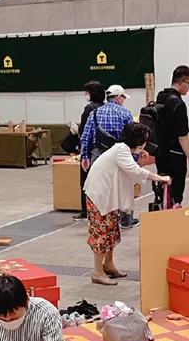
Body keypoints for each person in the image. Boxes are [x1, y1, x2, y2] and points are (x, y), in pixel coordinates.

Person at [84, 123, 171, 286]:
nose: (145, 143)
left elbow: (129, 170)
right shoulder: (121, 150)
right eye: (144, 139)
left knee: (111, 230)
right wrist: (160, 178)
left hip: (107, 195)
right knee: (102, 232)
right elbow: (134, 172)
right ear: (138, 140)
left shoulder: (122, 150)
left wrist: (141, 163)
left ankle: (108, 264)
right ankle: (97, 272)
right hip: (100, 195)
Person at [79, 84, 137, 229]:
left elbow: (86, 137)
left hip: (99, 154)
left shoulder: (95, 113)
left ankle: (102, 219)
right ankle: (126, 220)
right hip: (120, 154)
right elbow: (132, 139)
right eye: (123, 98)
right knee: (123, 187)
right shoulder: (126, 113)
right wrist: (134, 160)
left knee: (101, 187)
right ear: (119, 97)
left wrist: (85, 157)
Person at [155, 65, 189, 208]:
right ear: (180, 83)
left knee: (163, 189)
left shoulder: (160, 98)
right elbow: (182, 136)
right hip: (175, 155)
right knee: (176, 193)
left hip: (160, 153)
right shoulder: (178, 104)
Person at [73, 81, 105, 222]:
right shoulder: (105, 107)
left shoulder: (89, 108)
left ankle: (86, 211)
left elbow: (84, 131)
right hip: (102, 149)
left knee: (86, 181)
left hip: (90, 149)